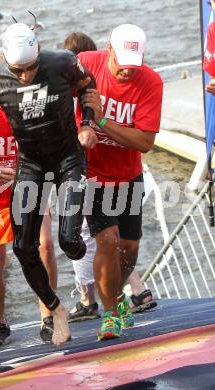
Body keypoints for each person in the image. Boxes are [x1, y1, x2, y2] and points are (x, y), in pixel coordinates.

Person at [0, 23, 98, 346]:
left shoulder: (61, 62)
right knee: (22, 246)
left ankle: (86, 289)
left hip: (68, 159)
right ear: (7, 62)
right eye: (17, 71)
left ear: (38, 54)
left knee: (70, 243)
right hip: (31, 164)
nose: (24, 77)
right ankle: (54, 308)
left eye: (30, 68)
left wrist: (88, 123)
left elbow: (90, 84)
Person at [77, 24, 163, 339]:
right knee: (107, 241)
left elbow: (143, 142)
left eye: (133, 66)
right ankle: (111, 315)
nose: (127, 72)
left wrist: (100, 121)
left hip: (128, 174)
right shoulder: (86, 63)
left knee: (129, 248)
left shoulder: (151, 81)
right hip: (91, 174)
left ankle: (117, 300)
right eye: (122, 64)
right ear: (108, 50)